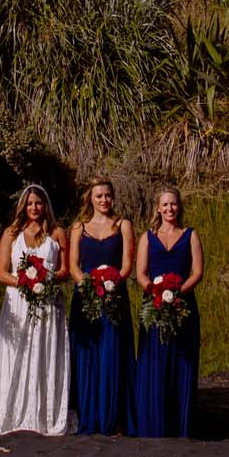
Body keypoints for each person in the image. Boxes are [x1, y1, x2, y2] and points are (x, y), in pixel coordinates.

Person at [0, 184, 71, 435]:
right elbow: (1, 273)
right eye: (30, 203)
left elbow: (65, 271)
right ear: (24, 206)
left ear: (46, 206)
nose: (35, 208)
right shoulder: (12, 233)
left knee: (44, 353)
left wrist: (45, 278)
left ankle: (44, 415)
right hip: (18, 302)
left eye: (39, 203)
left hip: (48, 302)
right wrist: (25, 281)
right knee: (16, 355)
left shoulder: (57, 233)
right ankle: (11, 412)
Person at [68, 176, 136, 435]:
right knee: (87, 356)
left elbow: (127, 264)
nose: (104, 200)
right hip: (85, 297)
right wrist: (86, 285)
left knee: (112, 354)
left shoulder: (123, 225)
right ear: (91, 199)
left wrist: (111, 283)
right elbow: (73, 265)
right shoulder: (78, 228)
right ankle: (88, 414)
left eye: (108, 195)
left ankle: (114, 418)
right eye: (99, 196)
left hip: (114, 297)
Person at [134, 185, 203, 437]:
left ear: (179, 206)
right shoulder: (147, 237)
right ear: (157, 208)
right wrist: (156, 292)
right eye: (165, 204)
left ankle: (180, 425)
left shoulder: (190, 235)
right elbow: (140, 273)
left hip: (183, 306)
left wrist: (177, 293)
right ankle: (154, 424)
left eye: (173, 204)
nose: (169, 208)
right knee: (155, 362)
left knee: (181, 360)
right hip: (153, 307)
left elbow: (197, 272)